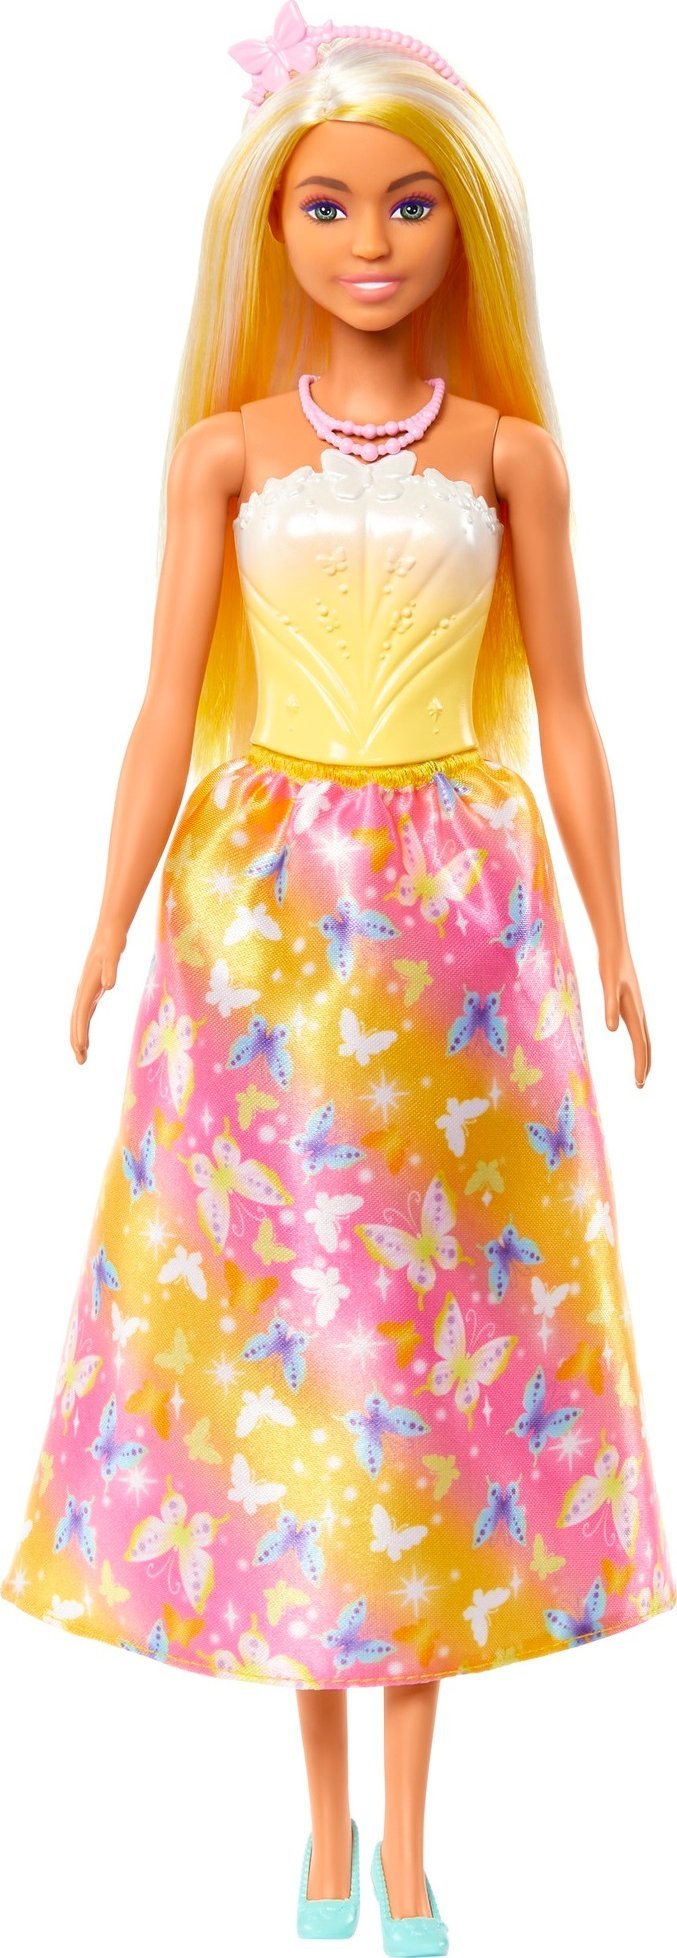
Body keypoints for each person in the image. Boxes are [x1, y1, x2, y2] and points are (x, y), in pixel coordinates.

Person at [2, 12, 674, 1951]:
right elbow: (163, 703)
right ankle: (319, 1832)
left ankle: (414, 1838)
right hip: (269, 920)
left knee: (426, 1360)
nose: (369, 242)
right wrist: (107, 916)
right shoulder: (222, 453)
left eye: (406, 206)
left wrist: (618, 932)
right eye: (326, 206)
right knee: (296, 1348)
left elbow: (569, 710)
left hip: (459, 930)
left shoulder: (512, 457)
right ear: (270, 224)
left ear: (466, 228)